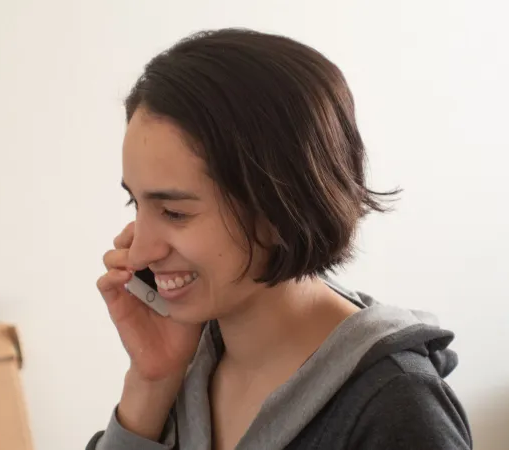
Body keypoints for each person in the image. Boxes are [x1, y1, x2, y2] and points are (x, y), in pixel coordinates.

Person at [87, 28, 472, 450]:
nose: (139, 250)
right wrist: (150, 382)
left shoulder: (397, 408)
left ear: (279, 206)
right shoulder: (189, 363)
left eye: (175, 212)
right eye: (135, 205)